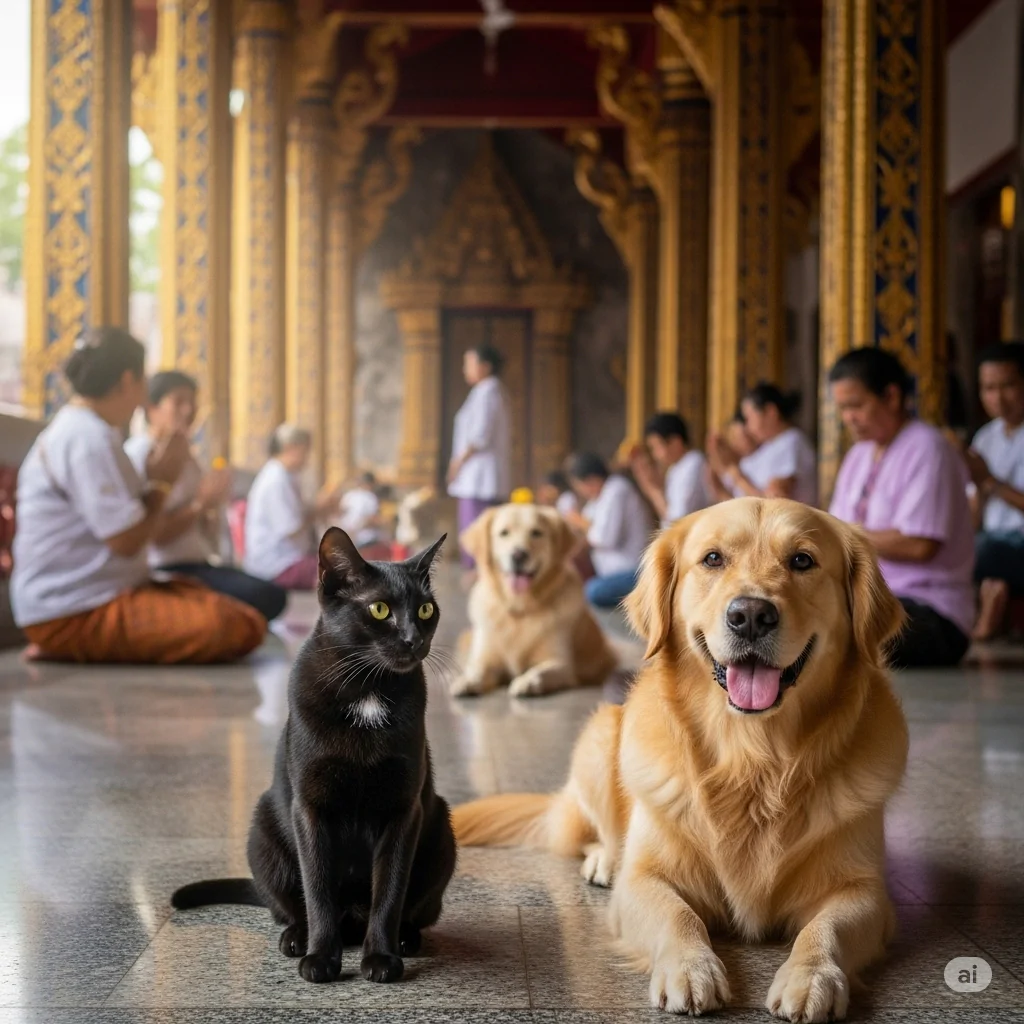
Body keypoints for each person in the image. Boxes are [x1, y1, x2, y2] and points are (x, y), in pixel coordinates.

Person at [10, 327, 266, 663]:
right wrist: (161, 484)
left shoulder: (93, 432)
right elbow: (127, 541)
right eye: (144, 382)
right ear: (128, 380)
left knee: (237, 611)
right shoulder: (86, 438)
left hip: (103, 592)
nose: (144, 397)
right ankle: (65, 642)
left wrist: (164, 485)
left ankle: (67, 643)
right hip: (73, 607)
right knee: (235, 626)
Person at [827, 347, 974, 668]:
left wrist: (840, 535)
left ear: (892, 397)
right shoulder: (859, 454)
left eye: (856, 405)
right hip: (872, 599)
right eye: (843, 408)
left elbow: (919, 544)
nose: (848, 417)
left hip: (931, 612)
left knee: (823, 631)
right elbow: (836, 530)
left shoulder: (928, 448)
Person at [124, 371, 287, 623]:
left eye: (192, 402)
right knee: (260, 598)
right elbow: (152, 534)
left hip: (197, 562)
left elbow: (204, 527)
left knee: (271, 595)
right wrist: (200, 504)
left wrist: (212, 506)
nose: (189, 410)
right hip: (164, 568)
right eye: (178, 401)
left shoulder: (188, 457)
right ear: (152, 408)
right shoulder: (140, 454)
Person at [965, 342, 1024, 639]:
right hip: (992, 539)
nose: (997, 398)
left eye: (1008, 386)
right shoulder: (986, 437)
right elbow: (975, 506)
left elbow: (987, 482)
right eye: (989, 388)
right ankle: (992, 588)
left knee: (984, 549)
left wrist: (989, 481)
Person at [244, 425, 339, 590]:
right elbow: (291, 527)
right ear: (291, 448)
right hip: (276, 565)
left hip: (288, 559)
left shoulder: (285, 476)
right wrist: (318, 509)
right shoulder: (276, 479)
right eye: (305, 451)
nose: (307, 458)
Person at [447, 344, 512, 569]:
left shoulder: (489, 393)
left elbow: (480, 436)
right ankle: (477, 570)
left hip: (480, 476)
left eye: (469, 363)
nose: (465, 369)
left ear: (485, 366)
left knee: (477, 529)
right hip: (476, 474)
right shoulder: (483, 391)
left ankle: (477, 571)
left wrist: (457, 463)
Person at [565, 452, 652, 608]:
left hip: (634, 571)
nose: (582, 492)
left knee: (592, 591)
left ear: (591, 479)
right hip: (612, 575)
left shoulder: (616, 488)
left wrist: (580, 522)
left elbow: (605, 539)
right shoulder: (597, 500)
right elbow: (585, 535)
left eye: (580, 486)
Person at [707, 384, 818, 505]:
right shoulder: (767, 448)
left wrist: (735, 473)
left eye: (749, 418)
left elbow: (772, 505)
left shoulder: (791, 442)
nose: (748, 427)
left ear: (771, 412)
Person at [631, 412, 713, 527]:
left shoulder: (693, 463)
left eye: (657, 446)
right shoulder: (675, 469)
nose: (655, 455)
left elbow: (677, 522)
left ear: (675, 442)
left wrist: (653, 491)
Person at [338, 471, 386, 552]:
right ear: (370, 484)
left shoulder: (348, 495)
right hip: (366, 540)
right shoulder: (370, 497)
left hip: (348, 538)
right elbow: (372, 519)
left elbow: (340, 514)